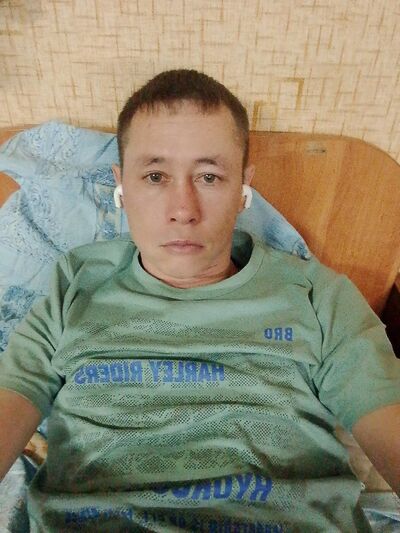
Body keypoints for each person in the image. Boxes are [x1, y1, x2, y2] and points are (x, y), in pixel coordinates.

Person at [0, 69, 399, 532]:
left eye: (209, 176)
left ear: (243, 188)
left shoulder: (316, 296)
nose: (183, 210)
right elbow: (13, 396)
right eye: (155, 176)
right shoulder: (75, 283)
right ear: (121, 185)